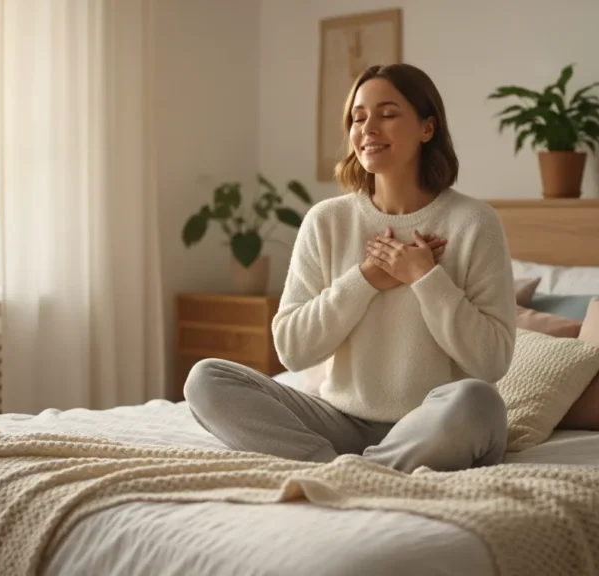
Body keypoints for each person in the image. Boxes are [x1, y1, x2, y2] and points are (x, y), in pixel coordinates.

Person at [183, 63, 516, 474]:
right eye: (358, 118)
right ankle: (347, 472)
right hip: (338, 423)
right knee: (205, 379)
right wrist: (366, 279)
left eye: (388, 114)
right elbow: (292, 349)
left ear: (427, 128)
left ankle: (351, 472)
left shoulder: (474, 222)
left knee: (479, 403)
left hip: (433, 423)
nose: (368, 128)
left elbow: (492, 361)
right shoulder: (327, 221)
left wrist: (426, 278)